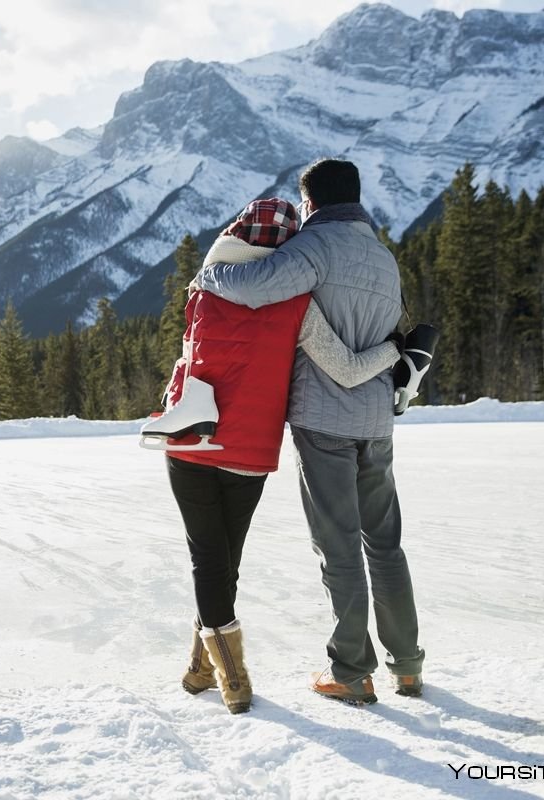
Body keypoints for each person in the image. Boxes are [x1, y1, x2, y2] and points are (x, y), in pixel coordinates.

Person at [156, 197, 401, 714]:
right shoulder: (299, 305)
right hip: (251, 452)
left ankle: (233, 679)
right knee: (225, 561)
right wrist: (393, 351)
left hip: (193, 441)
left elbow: (187, 361)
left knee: (208, 558)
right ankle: (202, 668)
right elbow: (347, 369)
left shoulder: (206, 286)